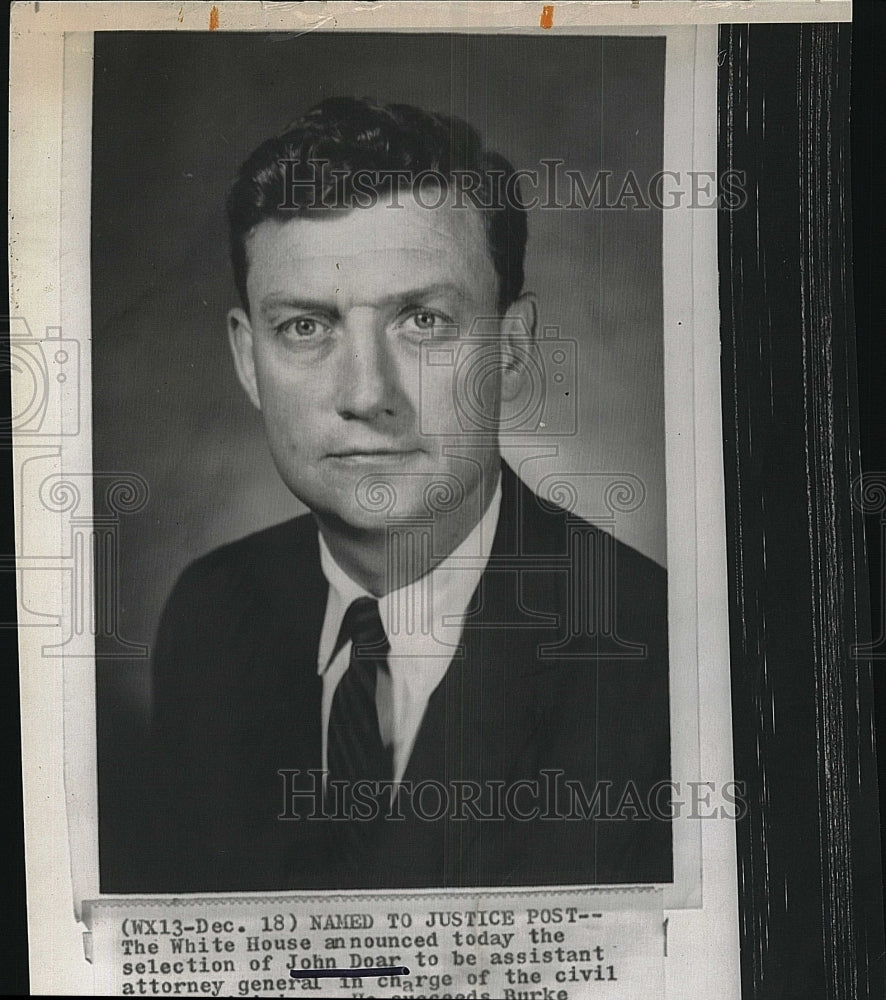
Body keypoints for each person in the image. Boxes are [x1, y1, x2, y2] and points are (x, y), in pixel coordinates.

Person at [133, 97, 671, 893]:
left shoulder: (660, 657)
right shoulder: (209, 616)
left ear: (512, 349)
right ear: (249, 361)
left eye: (423, 320)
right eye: (306, 328)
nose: (365, 393)